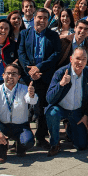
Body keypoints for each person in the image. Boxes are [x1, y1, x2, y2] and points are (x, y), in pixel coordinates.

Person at [17, 8, 62, 148]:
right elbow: (21, 53)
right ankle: (20, 138)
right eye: (39, 17)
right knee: (22, 108)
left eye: (45, 18)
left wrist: (39, 67)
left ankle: (41, 137)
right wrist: (30, 70)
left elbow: (56, 54)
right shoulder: (24, 34)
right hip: (27, 76)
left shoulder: (53, 35)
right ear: (34, 18)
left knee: (41, 109)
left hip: (45, 76)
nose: (42, 21)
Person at [45, 47, 88, 156]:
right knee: (52, 113)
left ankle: (69, 129)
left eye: (84, 59)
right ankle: (55, 144)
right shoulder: (60, 73)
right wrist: (61, 84)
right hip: (60, 108)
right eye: (78, 58)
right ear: (71, 59)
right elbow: (49, 98)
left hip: (77, 111)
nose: (80, 62)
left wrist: (86, 115)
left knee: (82, 146)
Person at [0, 63, 38, 163]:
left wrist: (32, 95)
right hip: (3, 125)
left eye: (14, 74)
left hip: (20, 126)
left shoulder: (24, 89)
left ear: (18, 77)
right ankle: (1, 151)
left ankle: (20, 147)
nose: (10, 76)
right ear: (3, 75)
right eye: (8, 73)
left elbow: (31, 101)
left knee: (28, 142)